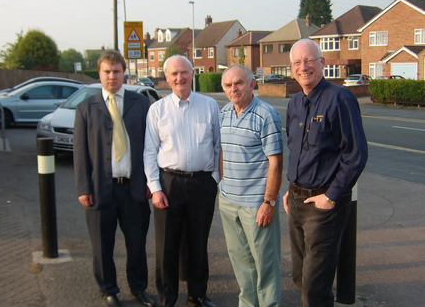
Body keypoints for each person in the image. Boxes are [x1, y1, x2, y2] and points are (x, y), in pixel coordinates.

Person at [283, 39, 368, 307]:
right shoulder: (295, 102)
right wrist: (291, 188)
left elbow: (355, 155)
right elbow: (298, 150)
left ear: (323, 62)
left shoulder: (340, 99)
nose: (303, 67)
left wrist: (330, 197)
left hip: (323, 207)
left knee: (314, 288)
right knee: (300, 277)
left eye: (309, 60)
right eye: (297, 62)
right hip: (296, 202)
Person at [73, 50, 156, 307]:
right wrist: (83, 187)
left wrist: (151, 184)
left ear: (124, 73)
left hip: (135, 190)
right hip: (100, 191)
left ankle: (138, 288)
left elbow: (152, 146)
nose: (112, 76)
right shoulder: (86, 108)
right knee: (102, 246)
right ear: (99, 74)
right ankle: (108, 290)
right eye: (107, 72)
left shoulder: (141, 104)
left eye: (116, 71)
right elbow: (80, 153)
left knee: (137, 245)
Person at [144, 55, 221, 307]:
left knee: (198, 243)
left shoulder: (210, 106)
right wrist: (155, 189)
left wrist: (214, 180)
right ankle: (167, 298)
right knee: (167, 245)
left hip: (202, 183)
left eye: (184, 72)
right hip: (170, 183)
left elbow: (218, 146)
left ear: (192, 73)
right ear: (167, 78)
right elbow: (149, 151)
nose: (180, 78)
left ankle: (197, 295)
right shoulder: (157, 110)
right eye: (174, 74)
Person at [219, 64, 283, 307]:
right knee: (240, 261)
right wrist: (223, 186)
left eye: (239, 83)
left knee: (265, 264)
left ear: (251, 84)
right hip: (228, 202)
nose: (233, 88)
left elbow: (275, 162)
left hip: (256, 205)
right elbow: (224, 151)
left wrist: (268, 202)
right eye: (228, 85)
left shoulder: (266, 114)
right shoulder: (224, 112)